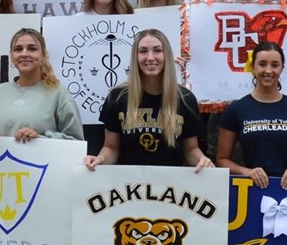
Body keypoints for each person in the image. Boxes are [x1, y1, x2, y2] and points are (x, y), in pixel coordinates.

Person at [0, 29, 83, 245]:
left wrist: (43, 138)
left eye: (32, 48)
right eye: (19, 49)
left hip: (43, 191)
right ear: (11, 56)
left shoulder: (58, 93)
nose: (25, 54)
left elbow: (76, 141)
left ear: (44, 55)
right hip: (3, 192)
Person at [84, 29, 210, 170]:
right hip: (127, 186)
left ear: (166, 55)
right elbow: (111, 148)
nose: (150, 57)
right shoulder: (117, 96)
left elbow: (191, 150)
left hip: (173, 186)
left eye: (157, 50)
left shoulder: (185, 99)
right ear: (135, 57)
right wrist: (100, 159)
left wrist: (202, 159)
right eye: (143, 51)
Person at [216, 42, 287, 190]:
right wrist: (246, 172)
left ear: (282, 68)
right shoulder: (236, 109)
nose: (268, 70)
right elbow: (222, 160)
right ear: (253, 67)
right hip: (252, 190)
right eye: (262, 64)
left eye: (275, 65)